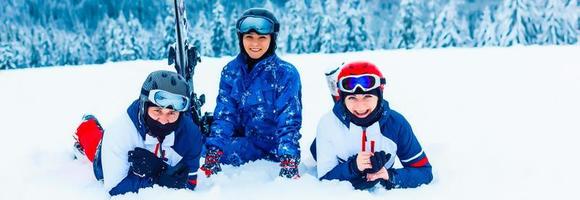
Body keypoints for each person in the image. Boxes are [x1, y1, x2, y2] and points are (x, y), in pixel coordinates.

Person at [200, 8, 302, 179]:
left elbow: (289, 120)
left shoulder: (285, 73)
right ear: (241, 39)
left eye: (262, 38)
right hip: (240, 138)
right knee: (196, 140)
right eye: (249, 37)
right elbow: (225, 114)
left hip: (270, 147)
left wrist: (288, 159)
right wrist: (214, 152)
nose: (255, 44)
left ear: (272, 39)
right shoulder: (231, 71)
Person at [73, 70, 203, 196]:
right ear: (144, 106)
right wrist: (158, 180)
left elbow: (190, 183)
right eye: (157, 111)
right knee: (95, 150)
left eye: (172, 113)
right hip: (110, 151)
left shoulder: (191, 136)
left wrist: (160, 170)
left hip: (138, 175)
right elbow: (114, 188)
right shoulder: (120, 131)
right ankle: (87, 124)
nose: (163, 121)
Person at [311, 61, 433, 190]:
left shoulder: (396, 124)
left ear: (379, 96)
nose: (360, 106)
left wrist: (390, 176)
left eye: (367, 96)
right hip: (327, 142)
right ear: (343, 99)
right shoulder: (328, 124)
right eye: (352, 98)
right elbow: (325, 178)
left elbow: (424, 172)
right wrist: (353, 167)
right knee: (315, 150)